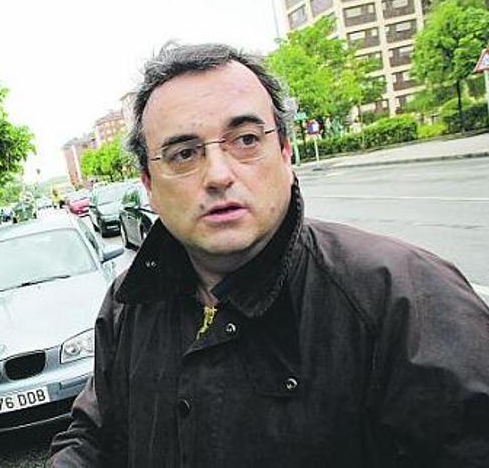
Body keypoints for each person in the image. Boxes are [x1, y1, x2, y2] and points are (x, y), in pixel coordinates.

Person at [48, 43, 489, 467]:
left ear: (285, 152)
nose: (219, 174)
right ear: (149, 185)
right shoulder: (130, 304)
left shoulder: (405, 299)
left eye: (244, 140)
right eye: (184, 154)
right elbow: (95, 437)